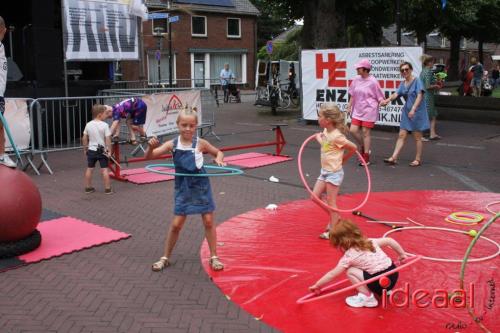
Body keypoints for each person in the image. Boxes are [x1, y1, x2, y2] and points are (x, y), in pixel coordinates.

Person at [145, 106, 226, 271]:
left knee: (209, 222)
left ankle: (214, 256)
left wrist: (218, 159)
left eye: (191, 125)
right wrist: (151, 147)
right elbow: (150, 157)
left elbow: (218, 152)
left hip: (200, 186)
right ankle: (165, 257)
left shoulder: (201, 143)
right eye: (184, 125)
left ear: (196, 126)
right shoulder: (172, 144)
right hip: (183, 187)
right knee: (176, 225)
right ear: (178, 125)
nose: (188, 129)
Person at [309, 220, 407, 308]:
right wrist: (402, 254)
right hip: (393, 276)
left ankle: (367, 298)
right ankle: (386, 290)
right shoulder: (371, 242)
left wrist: (318, 285)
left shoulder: (349, 256)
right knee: (369, 266)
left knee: (351, 271)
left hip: (378, 283)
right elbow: (390, 240)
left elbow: (332, 274)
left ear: (341, 243)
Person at [313, 103, 357, 239]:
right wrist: (320, 139)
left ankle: (333, 230)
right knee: (314, 197)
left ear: (328, 120)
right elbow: (328, 147)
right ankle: (335, 217)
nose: (318, 118)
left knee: (332, 203)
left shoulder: (337, 136)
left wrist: (343, 159)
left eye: (319, 116)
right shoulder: (327, 132)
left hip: (334, 172)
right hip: (324, 171)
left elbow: (353, 147)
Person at [381, 62, 429, 167]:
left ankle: (417, 159)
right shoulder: (403, 83)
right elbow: (396, 94)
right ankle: (393, 157)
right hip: (407, 112)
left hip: (417, 112)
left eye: (406, 69)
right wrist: (387, 100)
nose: (404, 71)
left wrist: (413, 109)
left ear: (411, 70)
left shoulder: (417, 81)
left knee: (417, 137)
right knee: (401, 135)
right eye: (402, 70)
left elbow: (420, 96)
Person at [346, 59, 385, 166]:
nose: (356, 69)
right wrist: (349, 106)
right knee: (352, 130)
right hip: (357, 110)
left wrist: (382, 102)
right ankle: (364, 146)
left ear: (365, 69)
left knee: (365, 132)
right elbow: (353, 94)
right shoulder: (356, 79)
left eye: (358, 68)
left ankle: (366, 156)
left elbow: (380, 97)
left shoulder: (373, 81)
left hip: (369, 110)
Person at [82, 104, 113, 194]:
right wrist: (109, 150)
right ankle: (108, 189)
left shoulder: (88, 124)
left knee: (90, 168)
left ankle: (88, 187)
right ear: (100, 114)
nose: (106, 115)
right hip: (102, 151)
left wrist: (85, 149)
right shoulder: (105, 125)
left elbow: (84, 138)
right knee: (104, 169)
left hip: (91, 150)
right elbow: (108, 139)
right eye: (105, 113)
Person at [0, 16, 16, 168]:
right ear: (3, 30)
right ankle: (2, 154)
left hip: (0, 94)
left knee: (0, 125)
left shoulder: (1, 46)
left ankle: (2, 155)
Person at [419, 54, 442, 141]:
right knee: (428, 116)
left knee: (433, 115)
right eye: (432, 61)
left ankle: (432, 133)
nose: (433, 63)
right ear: (428, 63)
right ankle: (421, 135)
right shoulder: (428, 71)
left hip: (424, 95)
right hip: (428, 96)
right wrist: (436, 85)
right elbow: (428, 86)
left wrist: (435, 81)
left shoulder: (423, 71)